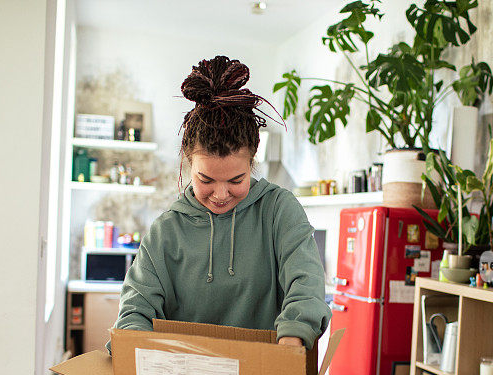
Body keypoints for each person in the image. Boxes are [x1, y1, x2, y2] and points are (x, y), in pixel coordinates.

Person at [109, 55, 330, 350]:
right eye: (206, 180)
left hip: (267, 374)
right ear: (188, 163)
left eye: (236, 180)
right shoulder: (166, 231)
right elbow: (135, 310)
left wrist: (293, 337)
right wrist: (133, 345)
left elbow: (306, 284)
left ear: (252, 161)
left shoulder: (279, 211)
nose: (221, 194)